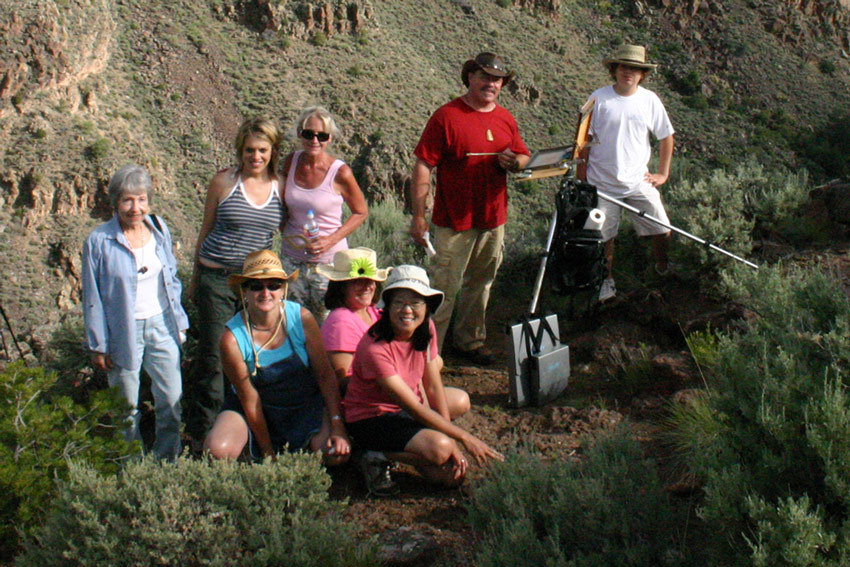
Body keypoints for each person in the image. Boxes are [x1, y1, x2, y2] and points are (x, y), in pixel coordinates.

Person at [410, 52, 530, 365]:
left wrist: (516, 163)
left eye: (497, 79)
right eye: (485, 76)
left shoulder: (505, 118)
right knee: (444, 287)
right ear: (470, 78)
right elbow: (424, 165)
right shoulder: (446, 116)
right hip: (454, 219)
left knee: (482, 284)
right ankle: (427, 353)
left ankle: (469, 342)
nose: (491, 83)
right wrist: (419, 215)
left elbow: (523, 156)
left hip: (493, 218)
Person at [343, 265, 503, 495]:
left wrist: (449, 433)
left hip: (408, 408)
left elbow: (432, 385)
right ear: (387, 307)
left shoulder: (425, 327)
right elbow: (414, 407)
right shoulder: (374, 348)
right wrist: (462, 439)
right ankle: (371, 453)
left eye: (415, 302)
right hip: (372, 418)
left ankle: (417, 447)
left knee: (449, 476)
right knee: (441, 449)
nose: (407, 310)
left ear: (427, 306)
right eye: (399, 302)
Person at [185, 117, 284, 442]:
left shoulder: (280, 187)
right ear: (240, 150)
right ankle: (204, 434)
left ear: (272, 151)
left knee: (253, 355)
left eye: (262, 151)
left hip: (256, 286)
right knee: (214, 357)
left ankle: (248, 429)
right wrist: (196, 278)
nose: (255, 157)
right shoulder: (224, 182)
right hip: (217, 278)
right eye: (249, 150)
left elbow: (292, 231)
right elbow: (206, 229)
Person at [82, 164, 189, 461]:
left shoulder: (159, 228)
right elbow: (92, 297)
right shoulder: (99, 241)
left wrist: (179, 322)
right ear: (115, 201)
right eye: (127, 200)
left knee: (171, 399)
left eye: (141, 199)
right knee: (126, 408)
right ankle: (131, 468)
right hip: (122, 332)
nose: (135, 207)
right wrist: (98, 344)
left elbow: (172, 277)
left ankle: (166, 461)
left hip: (162, 325)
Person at [203, 250, 350, 464]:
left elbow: (325, 376)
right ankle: (253, 456)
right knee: (217, 450)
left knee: (335, 455)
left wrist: (338, 425)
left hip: (304, 406)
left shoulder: (302, 318)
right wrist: (268, 453)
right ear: (244, 291)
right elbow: (249, 399)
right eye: (256, 286)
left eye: (273, 285)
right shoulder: (232, 339)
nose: (266, 293)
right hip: (255, 409)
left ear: (283, 289)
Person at [581, 44, 675, 303]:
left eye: (634, 68)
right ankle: (605, 283)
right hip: (602, 184)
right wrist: (582, 180)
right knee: (604, 239)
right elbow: (582, 141)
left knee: (662, 229)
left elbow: (667, 137)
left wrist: (662, 174)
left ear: (642, 73)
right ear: (615, 69)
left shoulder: (649, 100)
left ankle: (662, 266)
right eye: (624, 66)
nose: (628, 72)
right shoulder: (598, 98)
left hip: (637, 181)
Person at [280, 106, 368, 320]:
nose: (315, 140)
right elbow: (281, 204)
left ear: (329, 139)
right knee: (292, 320)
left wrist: (330, 240)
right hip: (291, 261)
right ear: (300, 133)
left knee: (326, 322)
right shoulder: (290, 162)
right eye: (309, 134)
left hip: (327, 264)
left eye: (322, 135)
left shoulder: (340, 172)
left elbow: (361, 212)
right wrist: (286, 232)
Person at [317, 247, 390, 391]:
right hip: (365, 399)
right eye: (358, 281)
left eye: (370, 280)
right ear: (342, 287)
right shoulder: (341, 322)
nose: (367, 287)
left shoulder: (373, 312)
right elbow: (343, 381)